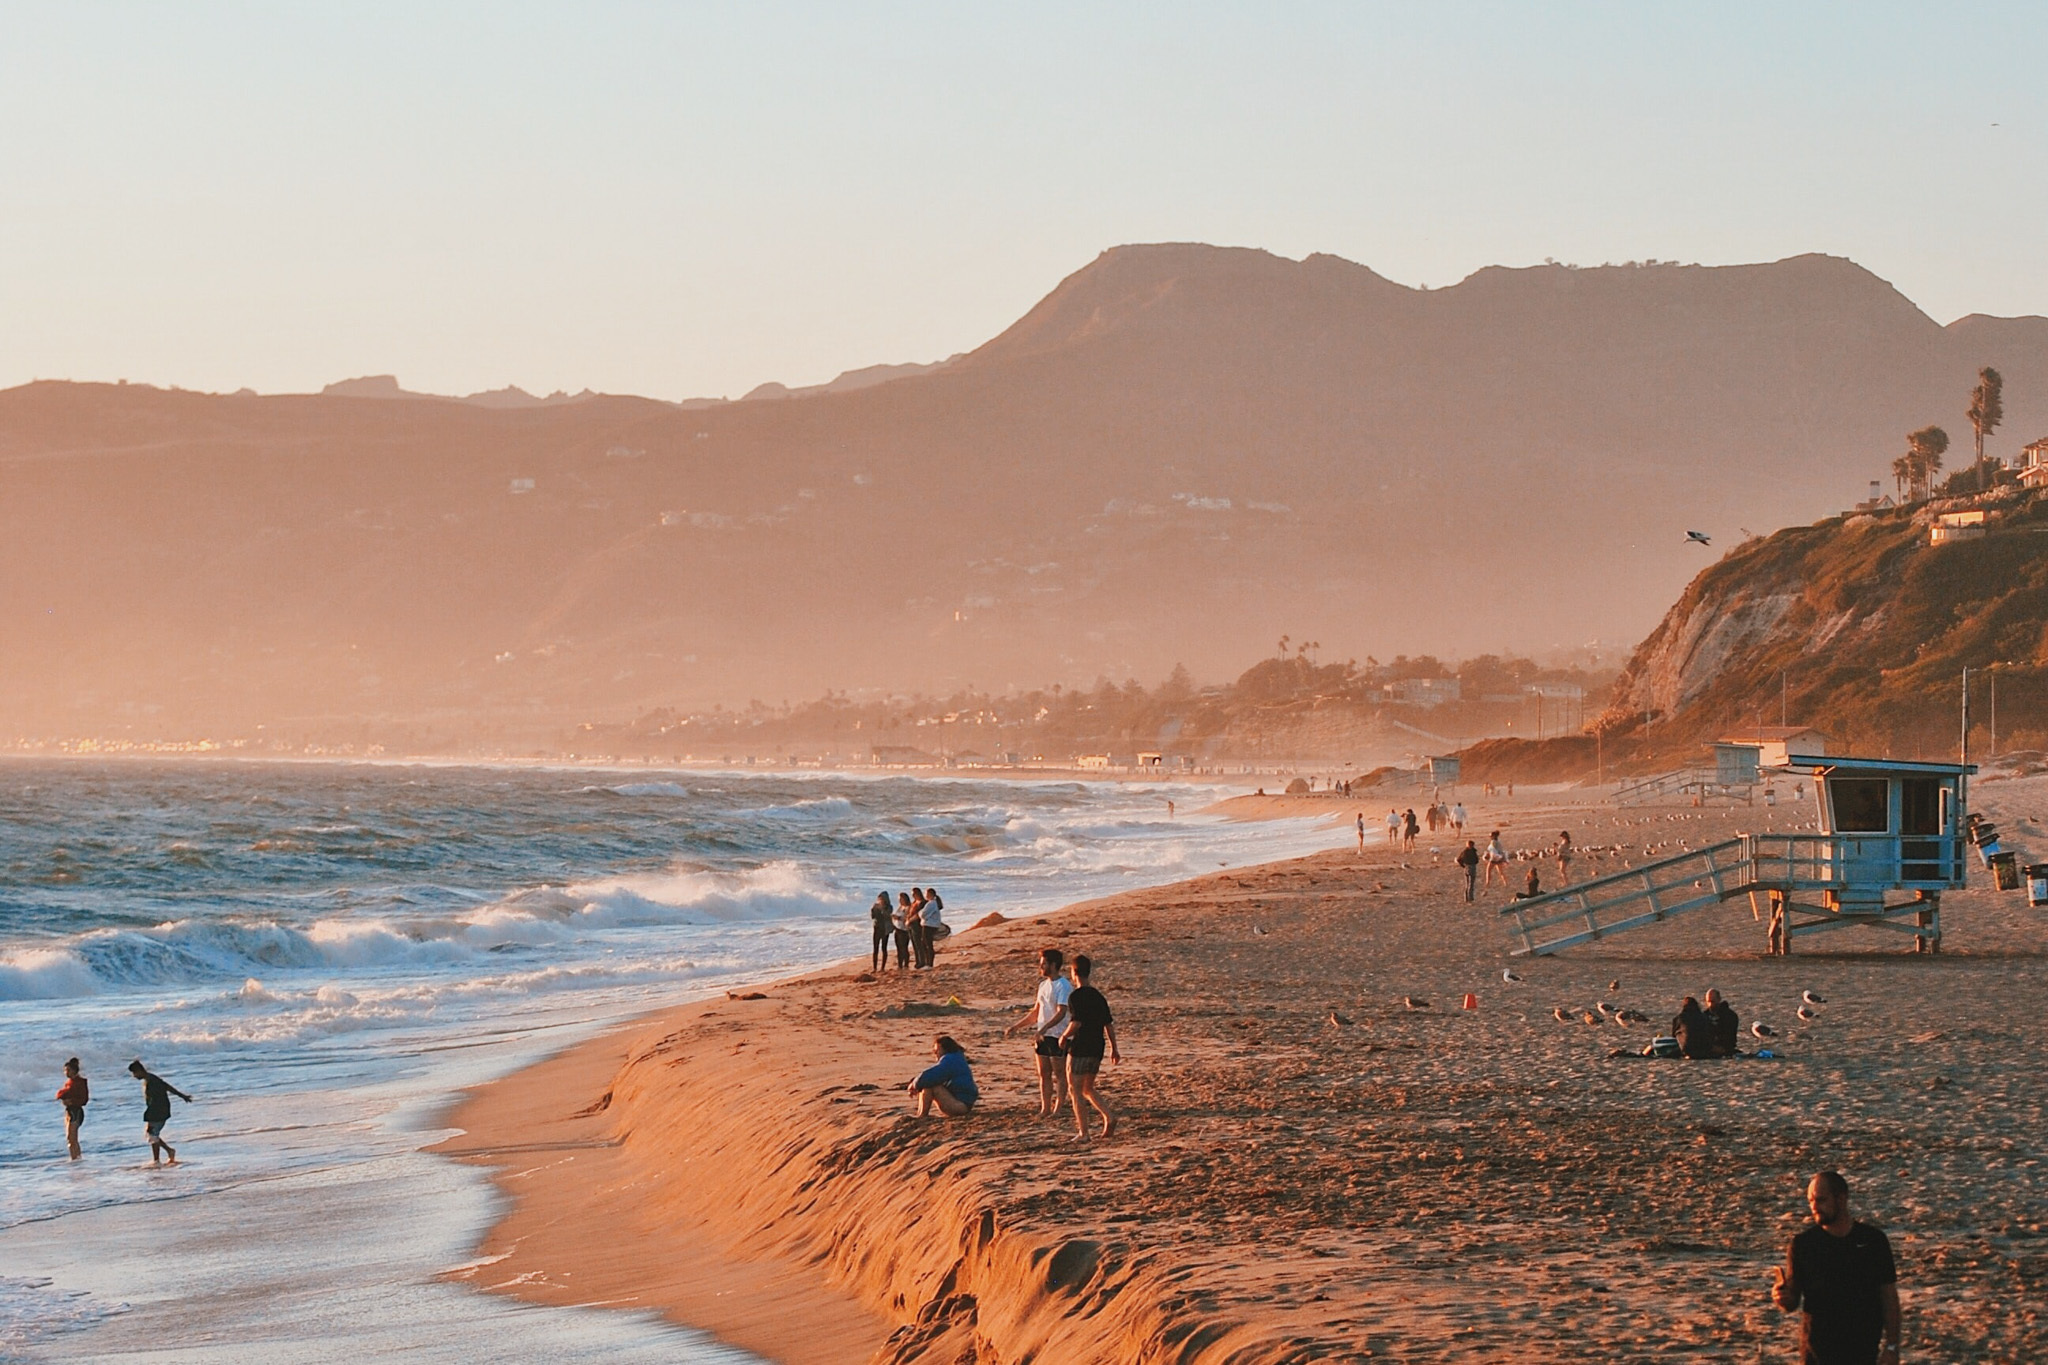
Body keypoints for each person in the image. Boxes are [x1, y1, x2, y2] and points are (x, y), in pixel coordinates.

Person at [1771, 1171, 1900, 1365]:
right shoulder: (1803, 1245)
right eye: (1810, 1200)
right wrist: (1782, 1296)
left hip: (1862, 1352)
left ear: (1841, 1198)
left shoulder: (1873, 1241)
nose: (1814, 1207)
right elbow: (1792, 1300)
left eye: (1821, 1200)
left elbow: (1889, 1298)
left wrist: (1891, 1347)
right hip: (1817, 1354)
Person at [1004, 947, 1074, 1117]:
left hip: (1057, 1035)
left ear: (1053, 965)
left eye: (1044, 964)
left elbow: (1062, 1012)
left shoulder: (1063, 985)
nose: (1041, 967)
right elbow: (1036, 1012)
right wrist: (1016, 1026)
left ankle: (1058, 1108)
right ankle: (1045, 1108)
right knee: (1043, 1073)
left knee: (1059, 1073)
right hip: (1042, 1035)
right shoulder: (1043, 985)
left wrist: (1045, 1028)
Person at [1059, 954, 1119, 1140]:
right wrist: (1114, 1049)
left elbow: (1076, 1022)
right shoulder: (1098, 996)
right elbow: (1108, 1025)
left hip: (1080, 1047)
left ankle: (1083, 1132)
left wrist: (1064, 1036)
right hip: (1097, 1047)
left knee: (1075, 1090)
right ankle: (1109, 1116)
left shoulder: (1076, 996)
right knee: (1087, 1088)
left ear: (1075, 973)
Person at [129, 1060, 190, 1165]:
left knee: (152, 1135)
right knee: (151, 1134)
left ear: (139, 1070)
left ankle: (156, 1161)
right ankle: (169, 1151)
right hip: (158, 1110)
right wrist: (182, 1096)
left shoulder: (152, 1080)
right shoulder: (150, 1079)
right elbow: (166, 1086)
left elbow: (166, 1087)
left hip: (158, 1110)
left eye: (134, 1073)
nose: (133, 1076)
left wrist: (182, 1096)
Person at [905, 1035, 978, 1118]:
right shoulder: (957, 1058)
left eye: (937, 1050)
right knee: (928, 1082)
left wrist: (914, 1084)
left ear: (943, 1049)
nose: (935, 1054)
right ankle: (921, 1114)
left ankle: (922, 1115)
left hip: (960, 1105)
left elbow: (930, 1076)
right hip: (962, 1102)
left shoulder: (951, 1060)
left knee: (929, 1085)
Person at [57, 1058, 89, 1161]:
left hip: (76, 1111)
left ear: (74, 1070)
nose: (66, 1073)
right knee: (70, 1138)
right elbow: (59, 1094)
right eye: (65, 1070)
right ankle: (76, 1158)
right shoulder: (69, 1082)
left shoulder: (80, 1082)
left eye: (68, 1070)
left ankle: (76, 1159)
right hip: (69, 1111)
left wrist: (72, 1101)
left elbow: (84, 1099)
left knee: (72, 1138)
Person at [1704, 987, 1740, 1058]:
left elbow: (1730, 1035)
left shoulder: (1729, 1015)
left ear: (1719, 999)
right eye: (1708, 1001)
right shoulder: (1704, 1015)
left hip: (1725, 1048)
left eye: (1713, 1001)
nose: (1710, 1004)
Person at [868, 892, 895, 973]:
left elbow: (887, 915)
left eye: (882, 899)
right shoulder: (876, 906)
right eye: (879, 899)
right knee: (875, 948)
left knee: (884, 948)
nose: (880, 901)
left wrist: (881, 909)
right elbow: (873, 917)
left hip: (885, 928)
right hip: (877, 928)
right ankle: (874, 968)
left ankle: (882, 967)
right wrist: (873, 909)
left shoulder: (889, 907)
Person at [920, 886, 946, 965]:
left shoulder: (931, 903)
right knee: (926, 943)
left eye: (926, 893)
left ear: (930, 894)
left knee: (927, 944)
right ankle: (928, 962)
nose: (925, 895)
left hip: (929, 925)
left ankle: (929, 963)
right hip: (931, 924)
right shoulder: (932, 903)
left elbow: (923, 914)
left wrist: (920, 914)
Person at [893, 892, 914, 970]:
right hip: (897, 928)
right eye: (899, 899)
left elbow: (907, 918)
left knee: (904, 947)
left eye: (901, 899)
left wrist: (898, 918)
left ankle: (906, 964)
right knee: (898, 948)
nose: (900, 900)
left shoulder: (909, 907)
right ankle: (900, 964)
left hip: (904, 929)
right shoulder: (900, 907)